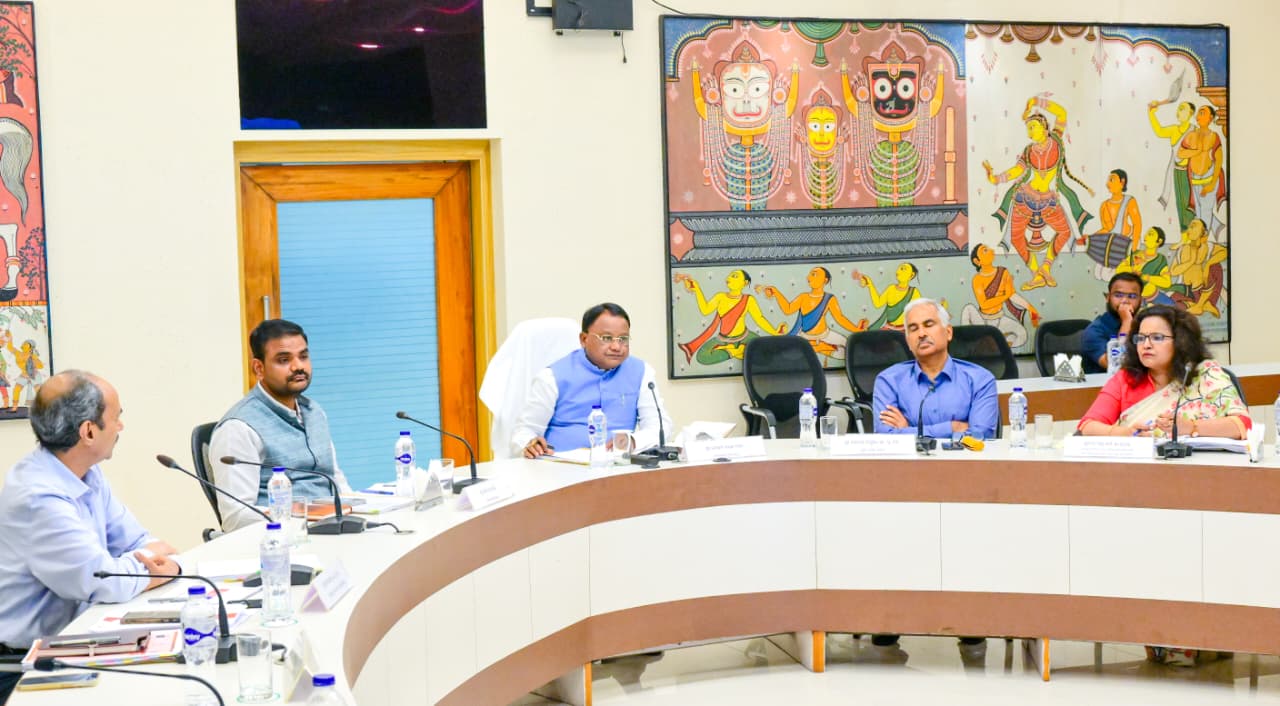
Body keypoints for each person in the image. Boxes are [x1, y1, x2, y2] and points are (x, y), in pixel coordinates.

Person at [0, 371, 180, 701]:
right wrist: (153, 569)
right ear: (89, 431)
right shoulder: (36, 497)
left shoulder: (86, 473)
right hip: (22, 666)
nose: (121, 426)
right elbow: (104, 580)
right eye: (116, 417)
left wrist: (138, 565)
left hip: (76, 643)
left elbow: (138, 542)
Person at [209, 319, 354, 532]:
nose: (298, 366)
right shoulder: (238, 428)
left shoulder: (314, 412)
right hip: (284, 538)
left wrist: (357, 510)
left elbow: (335, 478)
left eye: (303, 356)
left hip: (334, 528)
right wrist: (302, 515)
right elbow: (235, 517)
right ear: (259, 368)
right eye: (284, 360)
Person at [513, 303, 673, 459]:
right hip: (561, 468)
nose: (617, 347)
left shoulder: (641, 372)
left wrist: (632, 442)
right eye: (607, 338)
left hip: (619, 466)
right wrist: (529, 444)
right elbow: (525, 431)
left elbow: (660, 427)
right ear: (584, 339)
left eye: (623, 339)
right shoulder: (552, 377)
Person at [1078, 305, 1248, 441]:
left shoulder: (1205, 374)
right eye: (1141, 338)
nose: (1146, 345)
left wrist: (1191, 427)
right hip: (1137, 468)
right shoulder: (1125, 378)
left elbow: (1242, 425)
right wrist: (1126, 433)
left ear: (1181, 341)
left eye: (1157, 337)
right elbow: (1087, 426)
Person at [872, 298, 998, 441]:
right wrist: (952, 428)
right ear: (908, 342)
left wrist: (908, 432)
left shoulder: (980, 380)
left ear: (948, 332)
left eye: (928, 325)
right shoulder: (889, 381)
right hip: (910, 457)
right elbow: (885, 437)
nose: (921, 334)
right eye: (914, 329)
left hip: (962, 456)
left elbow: (980, 436)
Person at [1080, 272, 1143, 375]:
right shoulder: (1094, 331)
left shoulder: (1145, 326)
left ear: (1141, 300)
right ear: (1108, 297)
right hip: (1103, 384)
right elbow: (1116, 365)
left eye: (1132, 296)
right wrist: (1126, 321)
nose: (1124, 301)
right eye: (1118, 295)